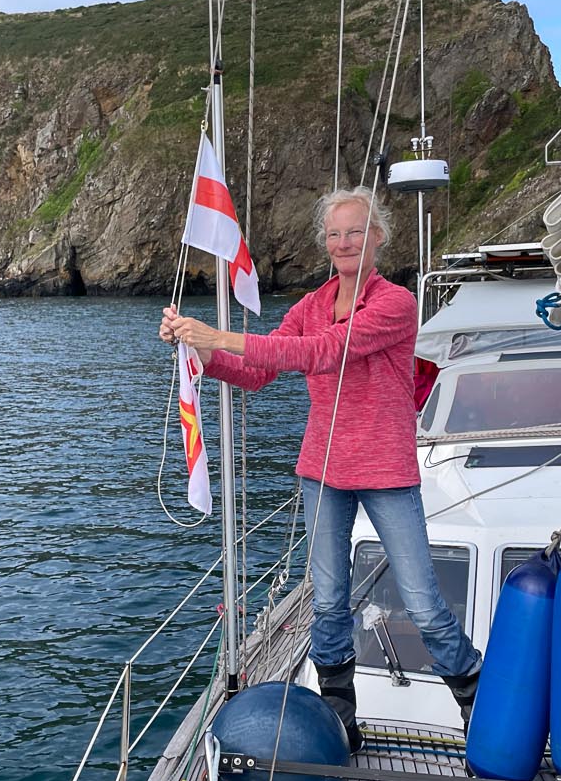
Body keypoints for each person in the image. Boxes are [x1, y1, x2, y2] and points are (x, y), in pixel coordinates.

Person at [162, 187, 478, 734]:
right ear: (324, 243)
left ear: (377, 235)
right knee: (328, 603)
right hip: (323, 472)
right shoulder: (311, 305)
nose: (345, 242)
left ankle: (480, 706)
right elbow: (261, 372)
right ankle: (340, 719)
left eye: (356, 231)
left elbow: (321, 352)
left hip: (385, 471)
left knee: (424, 603)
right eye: (335, 234)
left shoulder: (395, 304)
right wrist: (200, 352)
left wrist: (223, 336)